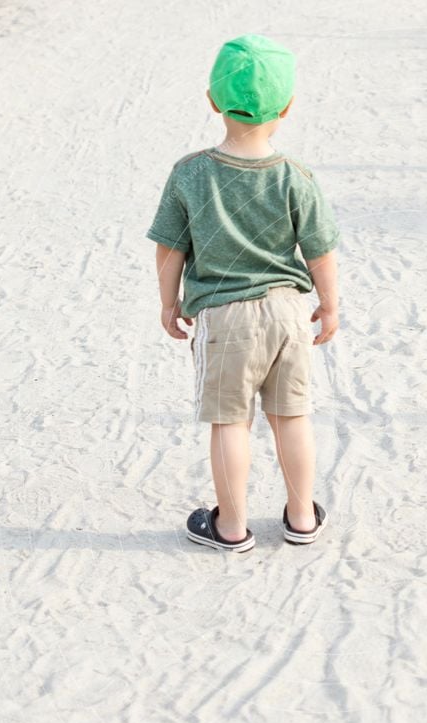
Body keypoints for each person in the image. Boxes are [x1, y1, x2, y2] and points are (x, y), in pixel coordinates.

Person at [145, 34, 340, 553]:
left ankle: (230, 527)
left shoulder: (190, 173)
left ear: (213, 100)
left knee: (230, 421)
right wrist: (330, 303)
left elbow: (170, 250)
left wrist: (169, 303)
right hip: (288, 314)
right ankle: (301, 517)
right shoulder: (296, 177)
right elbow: (320, 252)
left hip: (224, 317)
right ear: (289, 106)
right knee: (291, 416)